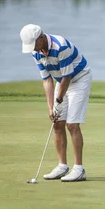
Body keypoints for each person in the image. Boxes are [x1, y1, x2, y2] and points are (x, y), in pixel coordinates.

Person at [19, 24, 92, 182]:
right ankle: (62, 166)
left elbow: (67, 77)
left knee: (72, 124)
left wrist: (59, 100)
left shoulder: (60, 47)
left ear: (41, 38)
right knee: (57, 123)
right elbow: (47, 80)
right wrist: (51, 106)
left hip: (79, 79)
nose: (34, 49)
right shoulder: (36, 53)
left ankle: (79, 169)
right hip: (62, 80)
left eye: (34, 45)